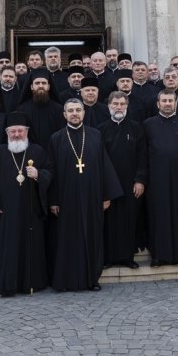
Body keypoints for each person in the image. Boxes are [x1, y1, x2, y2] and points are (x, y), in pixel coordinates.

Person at [46, 99, 121, 292]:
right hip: (66, 198)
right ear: (64, 114)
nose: (74, 113)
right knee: (67, 239)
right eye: (70, 110)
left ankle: (91, 280)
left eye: (78, 110)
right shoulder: (56, 138)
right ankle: (66, 281)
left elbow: (104, 166)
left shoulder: (95, 135)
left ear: (83, 113)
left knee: (92, 236)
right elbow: (51, 171)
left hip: (92, 196)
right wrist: (53, 200)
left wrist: (106, 195)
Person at [0, 114, 50, 297]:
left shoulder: (37, 151)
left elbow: (50, 172)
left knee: (30, 246)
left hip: (31, 211)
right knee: (8, 246)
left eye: (20, 131)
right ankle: (7, 284)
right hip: (6, 211)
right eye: (12, 131)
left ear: (27, 132)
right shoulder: (0, 152)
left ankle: (30, 283)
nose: (16, 135)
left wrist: (38, 175)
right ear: (7, 133)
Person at [140, 90, 178, 267]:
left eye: (170, 101)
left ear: (175, 103)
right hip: (155, 179)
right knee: (157, 216)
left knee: (176, 215)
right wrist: (142, 179)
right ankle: (157, 256)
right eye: (164, 101)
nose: (167, 104)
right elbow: (143, 154)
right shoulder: (148, 124)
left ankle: (173, 255)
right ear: (158, 104)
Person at [100, 91, 144, 269]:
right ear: (109, 106)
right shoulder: (100, 129)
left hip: (130, 183)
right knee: (109, 221)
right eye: (115, 104)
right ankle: (109, 258)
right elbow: (99, 160)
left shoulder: (136, 128)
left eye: (122, 104)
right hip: (108, 184)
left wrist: (140, 180)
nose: (119, 107)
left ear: (127, 106)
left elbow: (143, 156)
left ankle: (127, 257)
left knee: (129, 220)